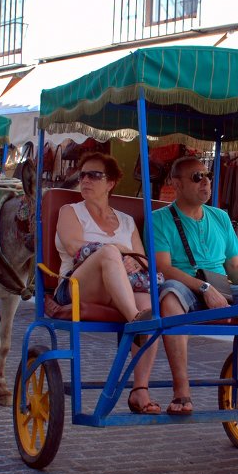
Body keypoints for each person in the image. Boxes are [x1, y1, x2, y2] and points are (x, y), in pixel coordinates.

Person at [152, 156, 238, 415]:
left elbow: (235, 268)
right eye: (197, 177)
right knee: (169, 299)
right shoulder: (159, 219)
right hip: (184, 286)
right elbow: (163, 267)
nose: (205, 182)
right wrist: (204, 288)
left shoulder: (219, 217)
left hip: (223, 287)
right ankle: (181, 390)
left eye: (207, 175)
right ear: (177, 183)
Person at [54, 153, 161, 413]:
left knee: (149, 303)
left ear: (111, 183)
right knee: (109, 252)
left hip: (120, 286)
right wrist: (118, 249)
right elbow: (73, 245)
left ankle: (140, 390)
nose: (86, 180)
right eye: (83, 175)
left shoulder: (126, 221)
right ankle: (137, 320)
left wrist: (134, 260)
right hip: (78, 285)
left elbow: (141, 258)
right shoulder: (70, 211)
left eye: (94, 175)